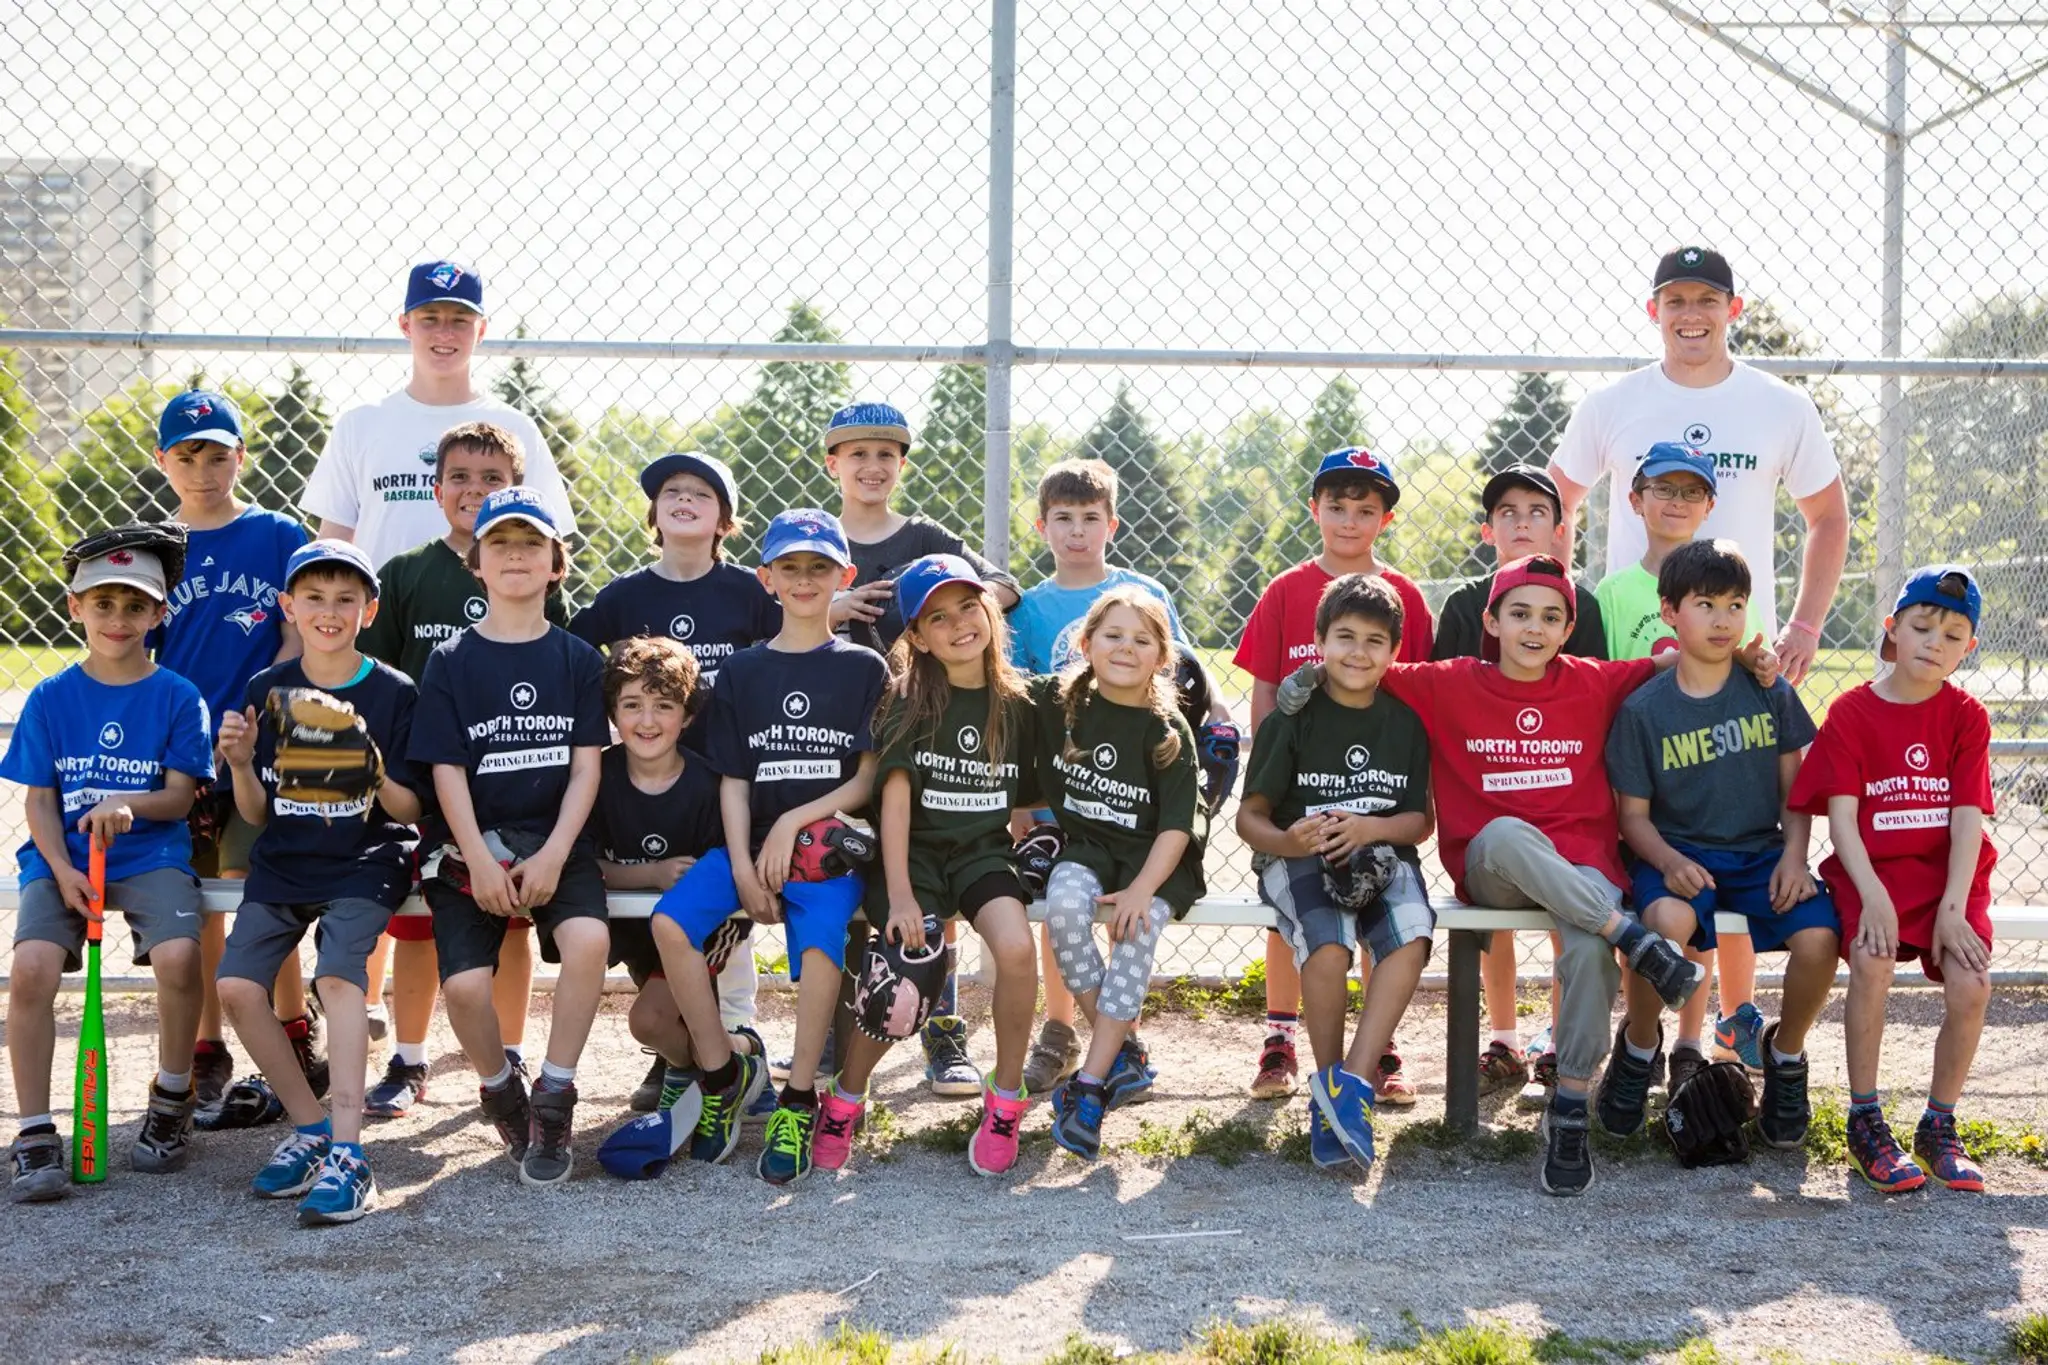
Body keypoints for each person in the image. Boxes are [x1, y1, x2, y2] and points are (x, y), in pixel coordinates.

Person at [1278, 553, 1779, 1194]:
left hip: (1583, 869)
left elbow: (1678, 658)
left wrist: (1749, 658)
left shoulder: (1593, 681)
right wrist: (1305, 677)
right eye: (1519, 614)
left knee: (1590, 952)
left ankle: (1569, 1107)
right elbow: (1362, 660)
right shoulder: (1451, 682)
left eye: (1549, 617)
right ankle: (1634, 938)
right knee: (1509, 832)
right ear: (1492, 621)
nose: (1533, 628)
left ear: (1568, 629)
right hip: (1495, 862)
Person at [650, 509, 887, 1186]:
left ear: (845, 575)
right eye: (790, 567)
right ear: (767, 578)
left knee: (820, 947)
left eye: (819, 568)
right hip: (747, 844)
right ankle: (721, 1072)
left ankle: (800, 1096)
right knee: (671, 923)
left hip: (824, 849)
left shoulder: (863, 668)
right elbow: (733, 779)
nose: (804, 580)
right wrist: (744, 862)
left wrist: (792, 824)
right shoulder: (745, 670)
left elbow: (865, 778)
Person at [1598, 539, 1837, 1150]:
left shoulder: (1768, 689)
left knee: (1819, 938)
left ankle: (1785, 1058)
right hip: (1678, 851)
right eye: (1705, 604)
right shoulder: (1644, 710)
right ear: (1670, 611)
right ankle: (1640, 1047)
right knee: (1663, 926)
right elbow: (1632, 818)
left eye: (1735, 604)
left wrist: (1794, 857)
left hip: (1761, 855)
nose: (1723, 619)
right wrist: (1668, 860)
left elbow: (1795, 792)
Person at [356, 422, 565, 1117]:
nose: (475, 490)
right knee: (418, 919)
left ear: (517, 488)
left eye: (492, 478)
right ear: (436, 488)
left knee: (513, 919)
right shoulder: (406, 573)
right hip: (427, 776)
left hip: (514, 771)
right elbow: (379, 677)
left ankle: (510, 1051)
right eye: (461, 478)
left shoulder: (532, 563)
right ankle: (410, 1056)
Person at [213, 540, 423, 1224]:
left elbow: (409, 811)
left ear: (369, 610)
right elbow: (254, 813)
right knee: (237, 985)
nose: (329, 611)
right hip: (285, 859)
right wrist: (240, 763)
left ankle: (351, 1154)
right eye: (314, 597)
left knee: (337, 977)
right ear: (288, 606)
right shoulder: (265, 689)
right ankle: (311, 1130)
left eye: (345, 599)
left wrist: (372, 766)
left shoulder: (393, 691)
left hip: (366, 858)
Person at [814, 555, 1041, 1177]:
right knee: (907, 974)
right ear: (915, 636)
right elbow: (892, 805)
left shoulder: (1019, 703)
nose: (959, 624)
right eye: (937, 617)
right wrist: (902, 897)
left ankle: (1006, 1099)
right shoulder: (909, 702)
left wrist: (1038, 829)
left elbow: (1030, 794)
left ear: (990, 611)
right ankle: (846, 1096)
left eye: (968, 606)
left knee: (1017, 949)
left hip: (981, 854)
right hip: (913, 857)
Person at [407, 488, 609, 1187]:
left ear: (556, 563)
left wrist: (554, 853)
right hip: (470, 844)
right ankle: (500, 1088)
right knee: (465, 986)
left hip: (556, 838)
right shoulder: (452, 659)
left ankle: (555, 1092)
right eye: (499, 542)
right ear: (476, 562)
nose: (516, 554)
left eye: (531, 543)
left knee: (589, 941)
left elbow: (586, 767)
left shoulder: (577, 657)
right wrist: (479, 857)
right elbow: (446, 769)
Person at [6, 528, 213, 1201]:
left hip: (150, 852)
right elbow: (40, 800)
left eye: (134, 605)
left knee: (180, 956)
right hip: (65, 858)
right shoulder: (50, 697)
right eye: (102, 603)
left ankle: (172, 1096)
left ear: (158, 614)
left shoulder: (178, 695)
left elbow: (178, 798)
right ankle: (35, 1131)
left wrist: (127, 803)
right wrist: (61, 869)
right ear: (75, 607)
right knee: (32, 969)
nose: (118, 618)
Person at [820, 401, 1018, 1099]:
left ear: (902, 466)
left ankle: (942, 1024)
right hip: (836, 732)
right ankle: (841, 1024)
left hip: (925, 727)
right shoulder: (819, 540)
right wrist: (828, 611)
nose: (872, 467)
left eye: (886, 455)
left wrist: (923, 591)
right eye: (858, 455)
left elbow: (1003, 588)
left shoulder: (926, 535)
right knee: (852, 880)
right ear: (833, 465)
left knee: (936, 871)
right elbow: (773, 615)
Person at [1549, 245, 1849, 686]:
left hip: (1741, 653)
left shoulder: (1783, 406)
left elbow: (1829, 517)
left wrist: (1805, 626)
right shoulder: (1610, 404)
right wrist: (1555, 601)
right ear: (1654, 310)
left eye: (1708, 300)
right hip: (1635, 650)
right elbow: (1554, 504)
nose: (1691, 315)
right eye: (1676, 301)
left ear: (1734, 309)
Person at [1233, 446, 1433, 1106]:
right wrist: (1273, 762)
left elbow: (1414, 689)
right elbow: (1267, 689)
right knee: (1294, 918)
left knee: (1378, 894)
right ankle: (1280, 1036)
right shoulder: (1287, 590)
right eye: (1337, 506)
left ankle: (1379, 1046)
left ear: (1386, 518)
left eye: (1365, 509)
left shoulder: (1404, 597)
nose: (1350, 520)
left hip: (1372, 784)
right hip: (1300, 787)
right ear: (1314, 509)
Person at [1789, 566, 1998, 1194]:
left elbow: (1966, 821)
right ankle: (1865, 1120)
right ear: (1893, 629)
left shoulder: (1966, 716)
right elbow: (1842, 821)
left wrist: (1953, 908)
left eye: (1953, 635)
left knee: (1973, 983)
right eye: (1923, 627)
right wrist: (1874, 897)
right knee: (1872, 958)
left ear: (1968, 648)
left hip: (1948, 878)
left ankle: (1938, 1125)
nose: (1935, 643)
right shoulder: (1853, 711)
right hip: (1871, 872)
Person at [1008, 457, 1210, 1098]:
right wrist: (1022, 807)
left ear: (1112, 524)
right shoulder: (1030, 607)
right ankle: (1061, 1030)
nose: (1077, 531)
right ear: (1042, 526)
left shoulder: (1142, 592)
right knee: (1061, 909)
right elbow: (1022, 700)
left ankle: (1111, 1046)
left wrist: (1222, 722)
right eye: (1063, 518)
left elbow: (1180, 676)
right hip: (1063, 784)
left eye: (1090, 518)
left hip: (1131, 781)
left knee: (1125, 918)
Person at [146, 390, 317, 1122]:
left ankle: (293, 1031)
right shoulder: (156, 547)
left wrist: (259, 704)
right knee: (196, 897)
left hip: (257, 743)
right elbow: (144, 654)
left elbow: (298, 629)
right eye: (187, 457)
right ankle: (208, 1047)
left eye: (218, 455)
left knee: (260, 887)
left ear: (241, 458)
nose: (203, 470)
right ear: (163, 461)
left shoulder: (276, 534)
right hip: (184, 752)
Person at [1430, 462, 1605, 1109]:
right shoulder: (1464, 603)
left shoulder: (1578, 602)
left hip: (1557, 793)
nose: (1523, 522)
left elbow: (1596, 695)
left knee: (1568, 900)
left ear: (1560, 529)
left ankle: (1557, 1043)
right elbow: (1436, 696)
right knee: (1495, 915)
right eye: (1508, 512)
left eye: (1537, 512)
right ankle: (1503, 1040)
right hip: (1486, 789)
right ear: (1488, 529)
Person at [1594, 445, 1768, 1073]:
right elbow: (1600, 678)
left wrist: (1759, 660)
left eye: (1691, 491)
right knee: (1646, 912)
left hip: (1703, 769)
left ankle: (1690, 1042)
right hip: (1637, 769)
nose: (1676, 501)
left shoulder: (1728, 578)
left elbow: (1747, 657)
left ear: (1710, 505)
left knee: (1702, 911)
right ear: (1635, 500)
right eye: (1662, 488)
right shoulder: (1613, 592)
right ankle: (1638, 1037)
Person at [1039, 588, 1207, 1161]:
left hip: (1156, 862)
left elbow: (1178, 828)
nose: (1126, 648)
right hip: (1090, 849)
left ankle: (1088, 1087)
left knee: (1134, 930)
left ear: (1163, 658)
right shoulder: (1061, 705)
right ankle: (1125, 1051)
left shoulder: (1167, 729)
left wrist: (1141, 891)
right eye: (1113, 635)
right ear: (1085, 645)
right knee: (1063, 909)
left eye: (1142, 640)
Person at [584, 637, 764, 1114]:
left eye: (663, 705)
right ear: (612, 712)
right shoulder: (595, 777)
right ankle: (685, 1067)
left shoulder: (708, 784)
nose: (647, 721)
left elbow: (725, 871)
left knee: (649, 1021)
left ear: (686, 716)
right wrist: (652, 872)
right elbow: (580, 865)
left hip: (703, 930)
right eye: (632, 705)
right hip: (635, 927)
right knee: (667, 1022)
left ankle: (742, 1057)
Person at [301, 259, 574, 567]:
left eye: (460, 320)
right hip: (385, 598)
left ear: (481, 329)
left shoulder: (515, 429)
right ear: (405, 325)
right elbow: (334, 544)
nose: (445, 333)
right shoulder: (359, 424)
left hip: (485, 599)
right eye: (429, 319)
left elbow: (549, 542)